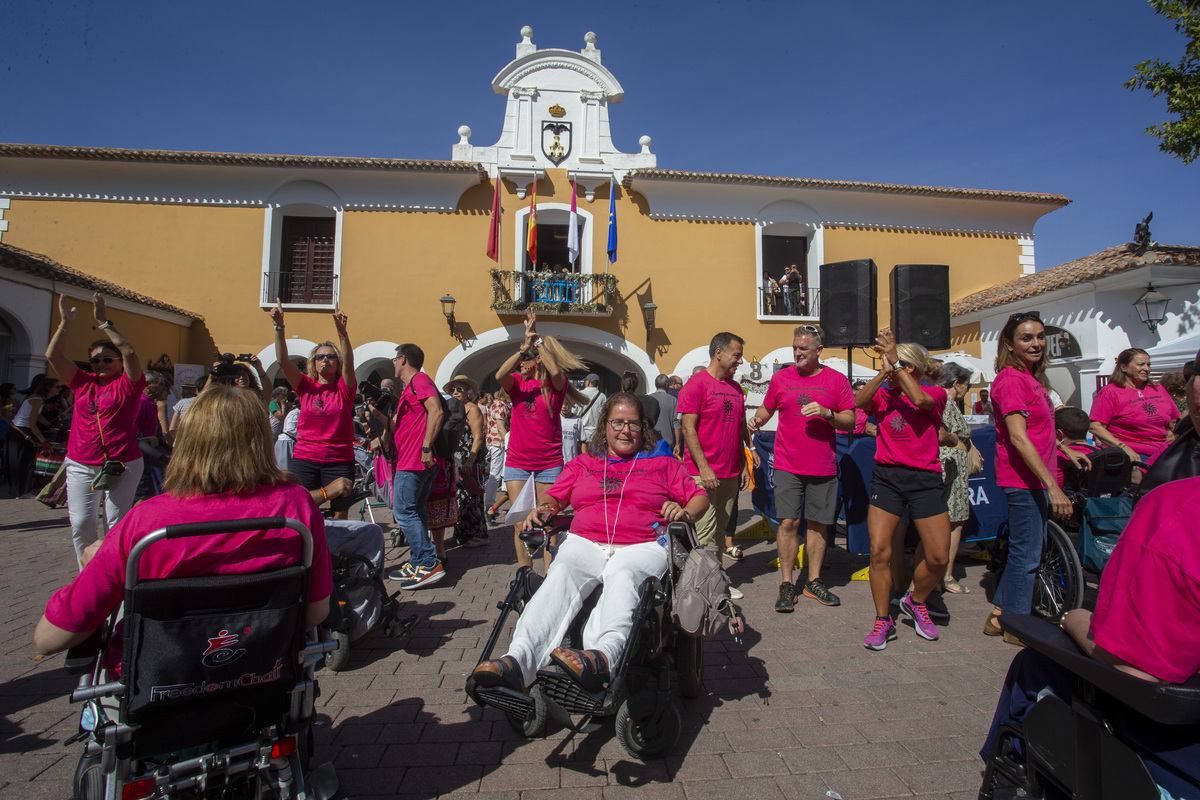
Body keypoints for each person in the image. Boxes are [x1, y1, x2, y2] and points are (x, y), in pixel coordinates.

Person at [33, 384, 332, 662]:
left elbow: (50, 639)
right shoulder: (295, 504)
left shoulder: (148, 521)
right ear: (262, 441)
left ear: (188, 441)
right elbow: (315, 612)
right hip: (262, 667)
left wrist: (95, 565)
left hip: (157, 679)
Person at [469, 393, 710, 693]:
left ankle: (601, 658)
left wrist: (684, 512)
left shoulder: (664, 463)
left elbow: (700, 497)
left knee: (624, 578)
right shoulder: (585, 463)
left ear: (643, 427)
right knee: (559, 576)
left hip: (642, 544)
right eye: (618, 423)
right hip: (586, 541)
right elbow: (555, 496)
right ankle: (518, 661)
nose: (625, 430)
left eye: (633, 424)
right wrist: (545, 508)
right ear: (604, 425)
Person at [980, 475, 1200, 800]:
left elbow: (1135, 669)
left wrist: (1072, 618)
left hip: (1175, 744)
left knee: (1034, 665)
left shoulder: (1177, 510)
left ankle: (1006, 781)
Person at [985, 311, 1086, 643]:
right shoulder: (1012, 380)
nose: (1036, 343)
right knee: (1027, 554)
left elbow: (1038, 430)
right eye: (1026, 338)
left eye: (1040, 336)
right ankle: (1016, 626)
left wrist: (1064, 449)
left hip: (1035, 477)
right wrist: (1053, 486)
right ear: (1010, 345)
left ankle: (1001, 615)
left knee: (1028, 549)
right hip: (1023, 479)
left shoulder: (1031, 379)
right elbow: (1017, 436)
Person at [853, 330, 950, 649]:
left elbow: (920, 401)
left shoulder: (935, 394)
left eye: (897, 365)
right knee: (879, 550)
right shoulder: (885, 393)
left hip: (925, 480)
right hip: (888, 478)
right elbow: (858, 402)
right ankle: (883, 619)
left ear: (911, 369)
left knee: (937, 557)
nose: (890, 368)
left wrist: (893, 360)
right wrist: (883, 371)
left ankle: (916, 600)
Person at [749, 325, 855, 611]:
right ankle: (786, 583)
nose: (797, 352)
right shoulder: (781, 378)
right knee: (787, 522)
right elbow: (767, 408)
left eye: (803, 348)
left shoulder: (836, 380)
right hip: (788, 464)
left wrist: (827, 414)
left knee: (819, 525)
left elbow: (850, 420)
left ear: (819, 350)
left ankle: (814, 580)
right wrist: (758, 418)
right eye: (795, 347)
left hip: (823, 465)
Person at [47, 294, 146, 567]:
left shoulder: (129, 384)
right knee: (80, 523)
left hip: (122, 463)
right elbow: (53, 356)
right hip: (80, 462)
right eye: (95, 361)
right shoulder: (82, 382)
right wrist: (65, 323)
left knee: (115, 522)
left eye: (106, 359)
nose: (100, 364)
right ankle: (87, 576)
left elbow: (128, 351)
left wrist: (104, 322)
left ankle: (116, 574)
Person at [495, 310, 587, 569]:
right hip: (517, 463)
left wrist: (537, 343)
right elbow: (499, 375)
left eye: (527, 360)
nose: (522, 364)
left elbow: (556, 371)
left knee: (547, 522)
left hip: (549, 464)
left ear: (538, 362)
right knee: (519, 521)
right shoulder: (516, 385)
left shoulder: (556, 389)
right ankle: (525, 574)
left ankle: (550, 574)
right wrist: (522, 349)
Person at [679, 331, 756, 601]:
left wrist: (744, 465)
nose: (741, 361)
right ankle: (709, 587)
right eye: (737, 355)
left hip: (731, 473)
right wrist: (704, 468)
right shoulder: (696, 385)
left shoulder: (736, 389)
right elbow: (688, 429)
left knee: (721, 531)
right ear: (719, 353)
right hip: (703, 475)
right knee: (706, 533)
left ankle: (714, 578)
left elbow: (737, 430)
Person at [268, 300, 357, 518]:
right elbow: (282, 361)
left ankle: (334, 553)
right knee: (300, 509)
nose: (325, 359)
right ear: (313, 363)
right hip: (306, 458)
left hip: (339, 459)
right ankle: (308, 550)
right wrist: (279, 327)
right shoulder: (305, 386)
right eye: (320, 356)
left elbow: (350, 362)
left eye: (330, 356)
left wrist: (342, 333)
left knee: (338, 515)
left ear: (338, 363)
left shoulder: (344, 389)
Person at [384, 343, 446, 588]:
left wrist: (426, 447)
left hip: (415, 460)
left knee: (403, 512)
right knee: (416, 511)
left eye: (394, 359)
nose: (392, 363)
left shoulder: (420, 380)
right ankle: (419, 560)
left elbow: (437, 411)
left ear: (402, 359)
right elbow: (395, 426)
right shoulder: (410, 387)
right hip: (412, 459)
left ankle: (429, 562)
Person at [1089, 347, 1179, 465]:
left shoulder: (1158, 388)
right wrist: (1124, 447)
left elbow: (1174, 418)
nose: (1146, 369)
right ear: (1124, 367)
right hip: (1134, 454)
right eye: (1141, 364)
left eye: (1148, 364)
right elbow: (1095, 426)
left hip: (1164, 450)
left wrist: (1172, 433)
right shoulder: (1110, 392)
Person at [933, 362, 974, 595]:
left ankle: (941, 574)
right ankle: (946, 575)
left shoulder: (941, 401)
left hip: (947, 461)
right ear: (956, 383)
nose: (967, 390)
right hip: (950, 461)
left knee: (946, 520)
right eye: (966, 385)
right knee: (954, 520)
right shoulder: (946, 402)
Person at [446, 375, 490, 549]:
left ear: (468, 392)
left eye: (459, 389)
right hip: (457, 457)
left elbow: (478, 436)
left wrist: (471, 460)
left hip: (469, 457)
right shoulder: (455, 409)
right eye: (453, 390)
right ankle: (461, 534)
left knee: (472, 496)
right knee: (459, 498)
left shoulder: (472, 409)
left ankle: (480, 535)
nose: (455, 392)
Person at [4, 375, 62, 496]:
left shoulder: (38, 399)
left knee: (25, 461)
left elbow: (38, 415)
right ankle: (22, 491)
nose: (59, 389)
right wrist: (43, 441)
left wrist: (49, 426)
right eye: (57, 387)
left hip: (17, 431)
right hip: (21, 432)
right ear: (48, 388)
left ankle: (21, 490)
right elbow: (32, 423)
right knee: (22, 462)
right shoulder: (38, 400)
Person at [484, 387, 510, 523]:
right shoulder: (501, 405)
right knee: (496, 474)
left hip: (494, 441)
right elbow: (501, 427)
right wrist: (508, 442)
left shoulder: (496, 403)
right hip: (498, 442)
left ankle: (491, 504)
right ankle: (489, 505)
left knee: (496, 474)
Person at [649, 374, 681, 455]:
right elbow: (676, 423)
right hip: (667, 441)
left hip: (650, 441)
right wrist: (678, 444)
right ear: (667, 385)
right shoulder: (673, 400)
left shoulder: (648, 399)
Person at [578, 373, 606, 441]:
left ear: (588, 382)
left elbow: (574, 411)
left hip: (581, 432)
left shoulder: (580, 394)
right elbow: (604, 414)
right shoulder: (602, 396)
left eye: (585, 381)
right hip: (596, 432)